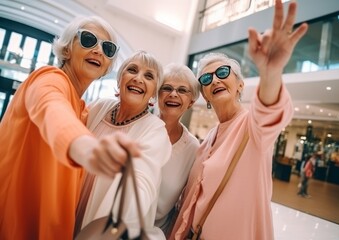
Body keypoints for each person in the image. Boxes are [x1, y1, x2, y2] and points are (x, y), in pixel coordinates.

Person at [169, 0, 308, 239]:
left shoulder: (252, 127)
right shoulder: (208, 140)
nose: (215, 80)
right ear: (204, 94)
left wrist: (271, 73)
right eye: (206, 79)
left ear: (240, 85)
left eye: (223, 73)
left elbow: (269, 111)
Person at [0, 16, 141, 240]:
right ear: (67, 49)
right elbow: (52, 108)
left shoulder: (84, 111)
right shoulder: (49, 78)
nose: (98, 51)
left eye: (107, 48)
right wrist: (86, 147)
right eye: (88, 40)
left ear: (107, 67)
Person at [76, 50, 172, 239]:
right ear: (120, 79)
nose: (138, 78)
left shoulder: (155, 130)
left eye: (149, 76)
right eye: (132, 70)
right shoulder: (98, 107)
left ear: (154, 92)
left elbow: (141, 185)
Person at [154, 63, 200, 237]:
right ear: (157, 94)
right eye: (167, 88)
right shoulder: (140, 128)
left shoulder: (194, 149)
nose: (173, 94)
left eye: (182, 90)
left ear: (191, 102)